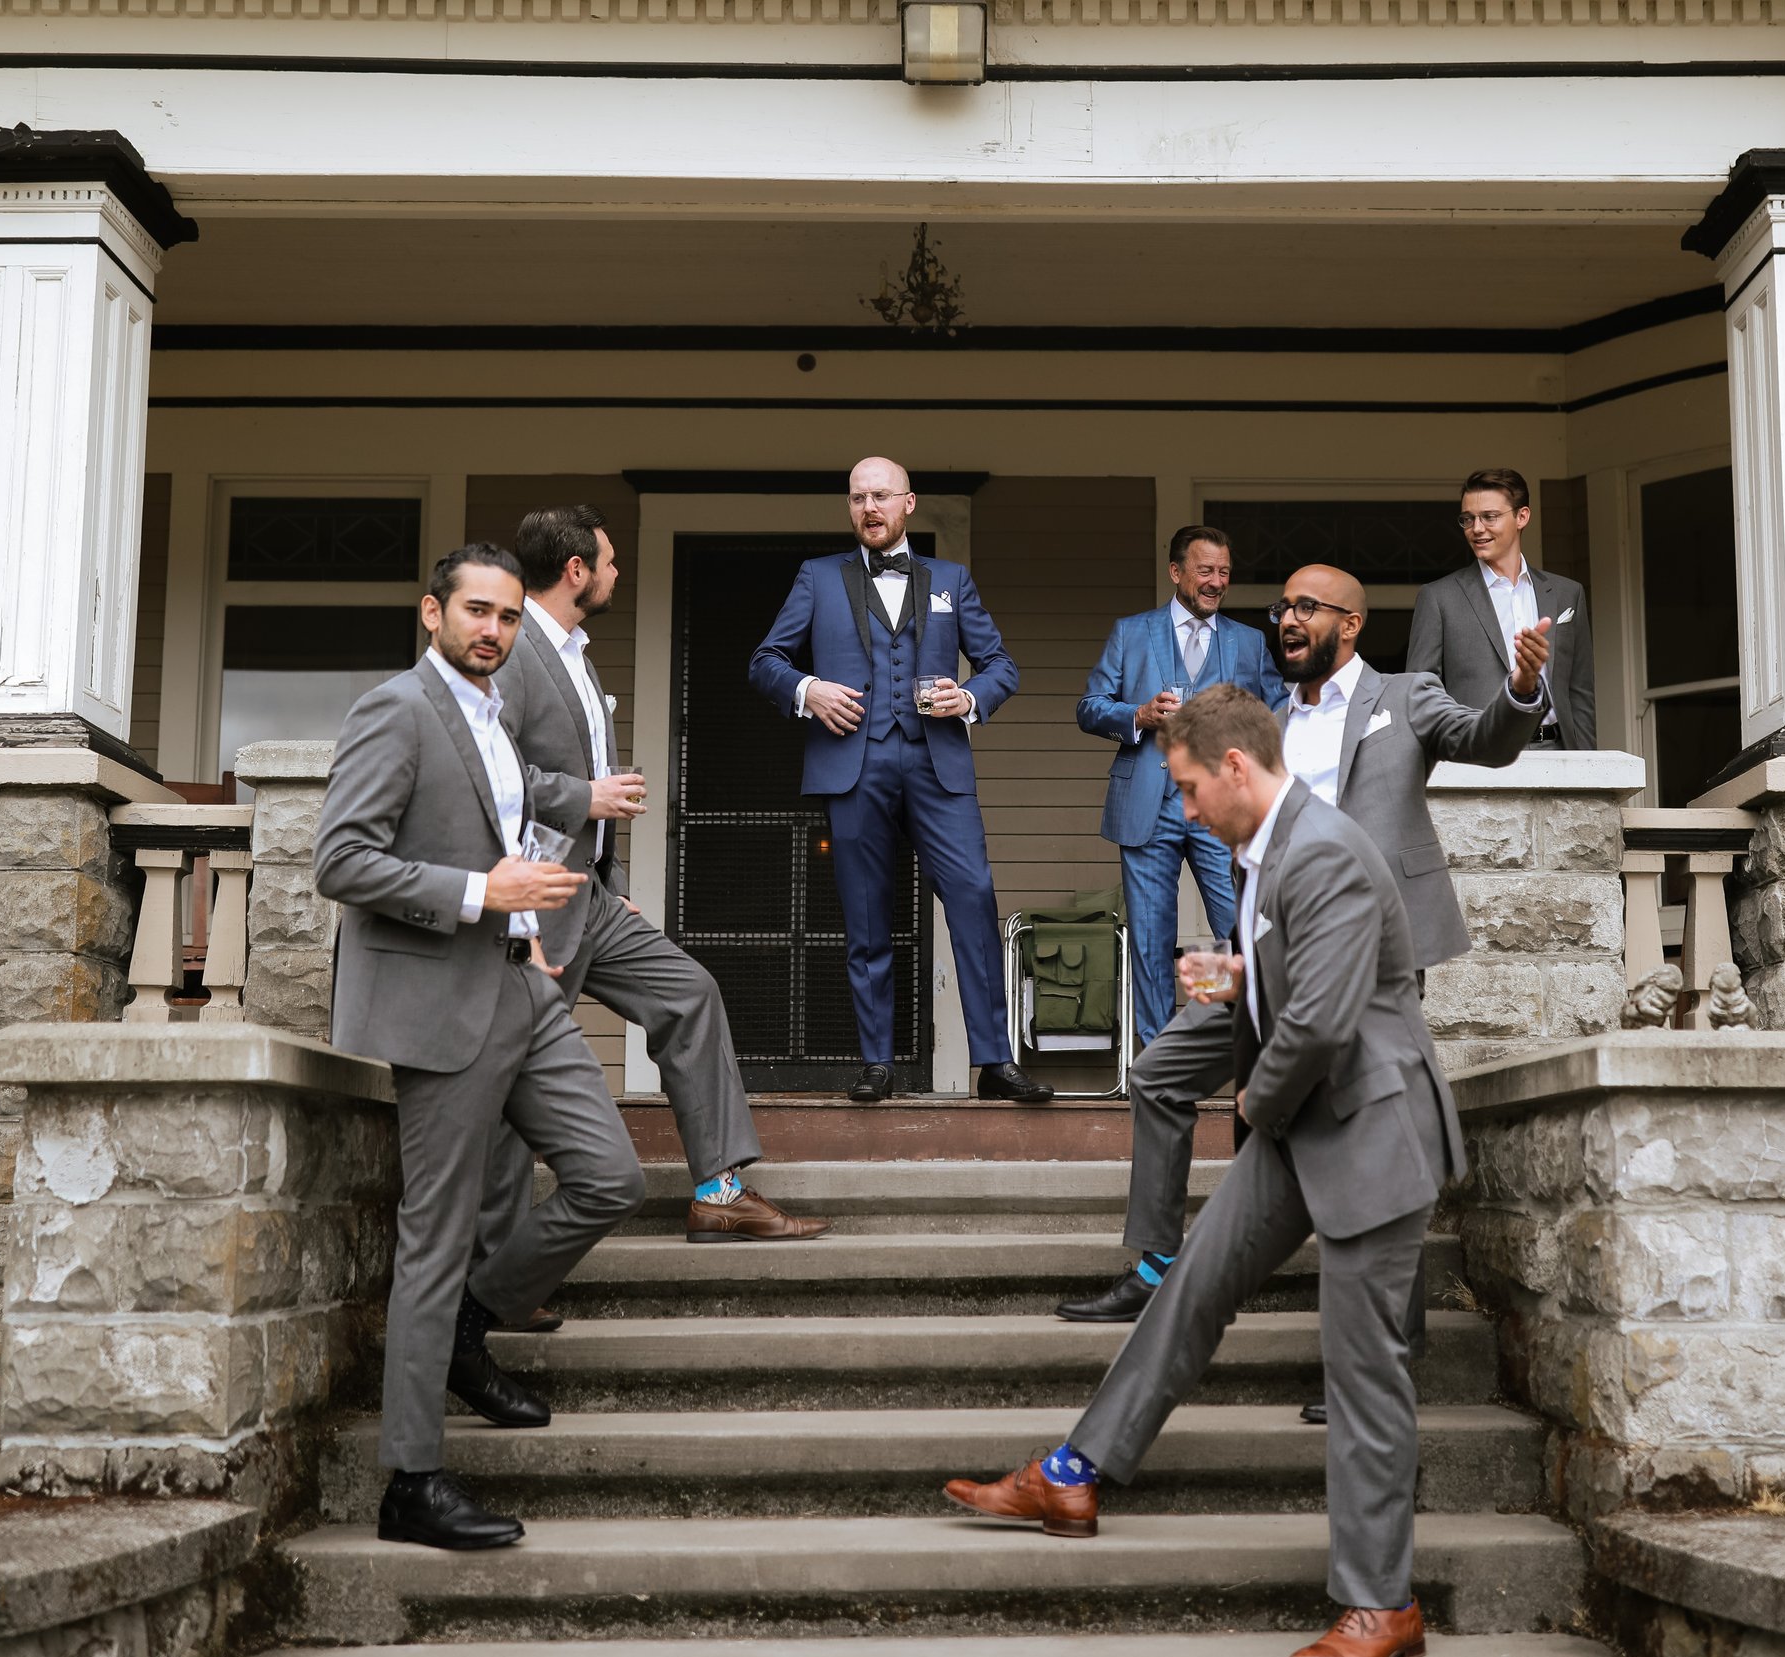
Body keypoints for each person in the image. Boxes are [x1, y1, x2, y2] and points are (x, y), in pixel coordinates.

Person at [942, 685, 1458, 1657]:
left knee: (1363, 1376)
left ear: (1234, 767)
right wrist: (1234, 980)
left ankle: (1381, 1606)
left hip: (1372, 1134)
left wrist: (1254, 1103)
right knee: (1189, 1291)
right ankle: (1072, 1474)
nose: (1181, 809)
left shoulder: (1325, 850)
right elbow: (1299, 978)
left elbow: (1322, 1022)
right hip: (1306, 1124)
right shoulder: (1265, 848)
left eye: (1185, 789)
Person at [1055, 563, 1546, 1328]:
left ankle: (1390, 1331)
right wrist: (1231, 958)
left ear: (1350, 624)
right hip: (1264, 961)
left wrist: (1520, 689)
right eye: (1281, 607)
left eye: (1307, 607)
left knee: (1369, 1126)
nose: (1287, 619)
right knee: (1159, 1074)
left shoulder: (1404, 698)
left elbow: (1486, 740)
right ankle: (1157, 1267)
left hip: (1365, 961)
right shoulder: (1266, 726)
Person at [315, 542, 648, 1551]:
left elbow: (506, 836)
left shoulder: (494, 717)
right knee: (436, 1233)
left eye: (506, 615)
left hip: (520, 984)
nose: (493, 629)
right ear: (433, 613)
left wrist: (526, 926)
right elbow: (342, 859)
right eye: (475, 611)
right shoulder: (397, 710)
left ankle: (469, 1322)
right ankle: (411, 1481)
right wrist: (480, 894)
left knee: (610, 1176)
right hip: (440, 1003)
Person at [472, 504, 826, 1262]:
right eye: (607, 561)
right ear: (576, 571)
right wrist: (584, 798)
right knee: (516, 1073)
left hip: (592, 897)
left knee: (688, 994)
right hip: (533, 902)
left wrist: (611, 875)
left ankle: (719, 1196)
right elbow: (489, 775)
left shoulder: (577, 653)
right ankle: (496, 1269)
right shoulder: (516, 651)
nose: (616, 573)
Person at [748, 456, 1051, 1105]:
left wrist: (967, 698)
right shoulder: (818, 576)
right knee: (866, 914)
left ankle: (994, 1062)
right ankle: (878, 1062)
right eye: (858, 498)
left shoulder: (951, 580)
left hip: (937, 763)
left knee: (973, 898)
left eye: (881, 496)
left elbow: (1000, 665)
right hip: (853, 764)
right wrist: (808, 689)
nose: (869, 508)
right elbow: (765, 660)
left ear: (908, 503)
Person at [1079, 525, 1286, 1049]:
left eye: (1224, 572)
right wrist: (1138, 715)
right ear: (1176, 572)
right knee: (1150, 942)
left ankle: (1237, 1046)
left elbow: (1280, 710)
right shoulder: (1131, 633)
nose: (1216, 582)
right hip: (1147, 805)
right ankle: (1157, 1059)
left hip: (1223, 810)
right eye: (1205, 570)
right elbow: (1090, 707)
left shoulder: (1248, 641)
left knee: (1239, 929)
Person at [1409, 467, 1595, 749]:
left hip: (1556, 751)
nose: (1476, 528)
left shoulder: (1567, 594)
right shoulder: (1438, 597)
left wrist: (1587, 763)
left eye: (1489, 516)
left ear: (1522, 517)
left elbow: (1580, 693)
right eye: (1468, 519)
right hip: (1477, 756)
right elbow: (1420, 695)